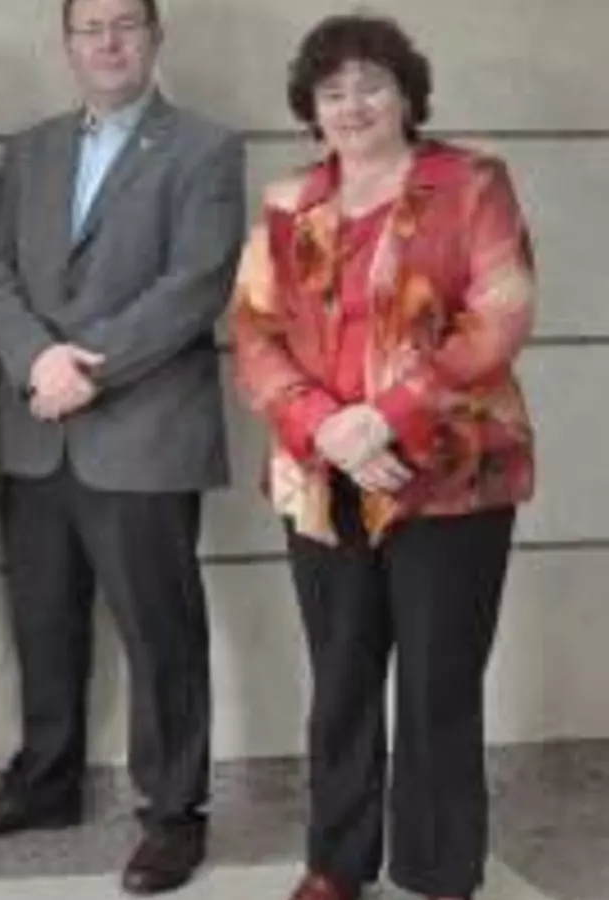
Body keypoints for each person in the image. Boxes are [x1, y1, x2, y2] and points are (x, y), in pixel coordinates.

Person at [229, 14, 536, 900]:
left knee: (439, 685)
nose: (353, 104)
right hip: (321, 477)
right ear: (311, 109)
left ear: (407, 94)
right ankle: (336, 864)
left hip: (451, 474)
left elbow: (502, 314)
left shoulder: (470, 183)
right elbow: (253, 332)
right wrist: (326, 427)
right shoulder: (288, 201)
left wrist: (385, 418)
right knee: (340, 680)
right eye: (332, 92)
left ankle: (439, 875)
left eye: (371, 84)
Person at [0, 0, 246, 893]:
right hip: (36, 430)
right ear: (68, 44)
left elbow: (195, 284)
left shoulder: (204, 149)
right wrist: (37, 360)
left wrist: (90, 369)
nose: (108, 41)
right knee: (43, 622)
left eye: (126, 24)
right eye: (91, 28)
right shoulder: (29, 150)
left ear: (156, 38)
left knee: (161, 634)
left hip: (144, 432)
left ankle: (173, 812)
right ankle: (47, 783)